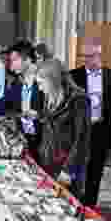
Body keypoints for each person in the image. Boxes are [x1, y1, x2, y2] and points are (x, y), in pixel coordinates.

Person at [70, 40, 111, 207]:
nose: (86, 60)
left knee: (96, 169)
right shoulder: (73, 76)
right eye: (84, 57)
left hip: (101, 130)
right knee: (77, 166)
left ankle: (90, 205)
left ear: (99, 55)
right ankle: (74, 202)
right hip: (79, 130)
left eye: (90, 56)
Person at [35, 57, 91, 198]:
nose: (40, 88)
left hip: (66, 167)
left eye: (41, 83)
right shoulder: (51, 96)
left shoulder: (79, 99)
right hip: (48, 162)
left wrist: (68, 170)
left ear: (52, 80)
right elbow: (52, 123)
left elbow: (82, 139)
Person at [5, 40, 44, 159]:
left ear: (27, 59)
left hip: (45, 146)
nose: (11, 66)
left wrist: (39, 116)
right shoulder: (17, 84)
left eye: (14, 60)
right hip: (25, 142)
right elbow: (8, 107)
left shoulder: (46, 82)